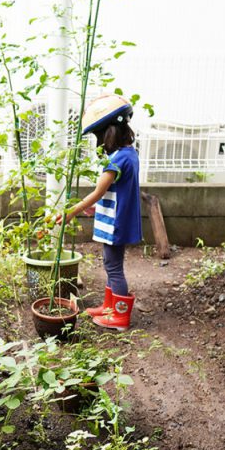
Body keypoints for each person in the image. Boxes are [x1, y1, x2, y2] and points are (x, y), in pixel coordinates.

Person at [64, 94, 142, 330]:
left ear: (108, 134)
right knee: (112, 264)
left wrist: (71, 212)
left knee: (113, 267)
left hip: (116, 223)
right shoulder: (130, 154)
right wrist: (98, 207)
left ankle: (119, 316)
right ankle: (109, 307)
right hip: (119, 218)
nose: (99, 143)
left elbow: (99, 191)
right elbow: (119, 192)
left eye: (99, 137)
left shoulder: (116, 161)